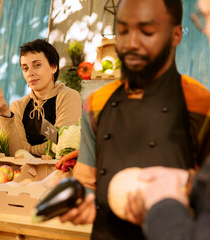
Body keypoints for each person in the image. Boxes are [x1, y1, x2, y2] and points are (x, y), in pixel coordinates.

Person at [59, 0, 210, 239]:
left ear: (176, 35)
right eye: (122, 31)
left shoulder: (201, 103)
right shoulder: (96, 103)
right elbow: (87, 181)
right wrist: (82, 201)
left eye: (147, 32)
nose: (131, 44)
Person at [137, 0, 210, 239]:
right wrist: (190, 180)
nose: (207, 31)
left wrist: (164, 204)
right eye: (204, 18)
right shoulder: (102, 101)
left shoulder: (199, 100)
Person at [0, 39, 82, 157]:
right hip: (25, 173)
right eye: (25, 68)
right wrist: (4, 113)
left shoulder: (68, 97)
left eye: (37, 65)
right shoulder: (18, 106)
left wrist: (27, 150)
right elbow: (16, 153)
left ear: (53, 67)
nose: (30, 73)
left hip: (58, 170)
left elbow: (61, 144)